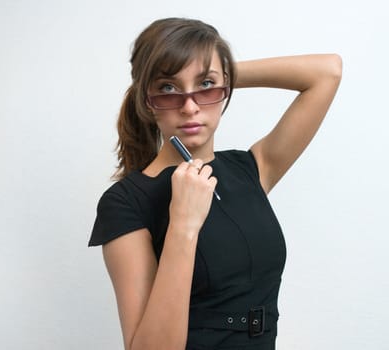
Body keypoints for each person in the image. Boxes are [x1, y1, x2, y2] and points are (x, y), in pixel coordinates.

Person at [89, 17, 342, 350]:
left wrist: (218, 70)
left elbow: (327, 72)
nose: (190, 106)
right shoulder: (126, 203)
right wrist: (184, 224)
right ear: (146, 99)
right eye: (167, 88)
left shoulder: (251, 168)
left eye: (205, 86)